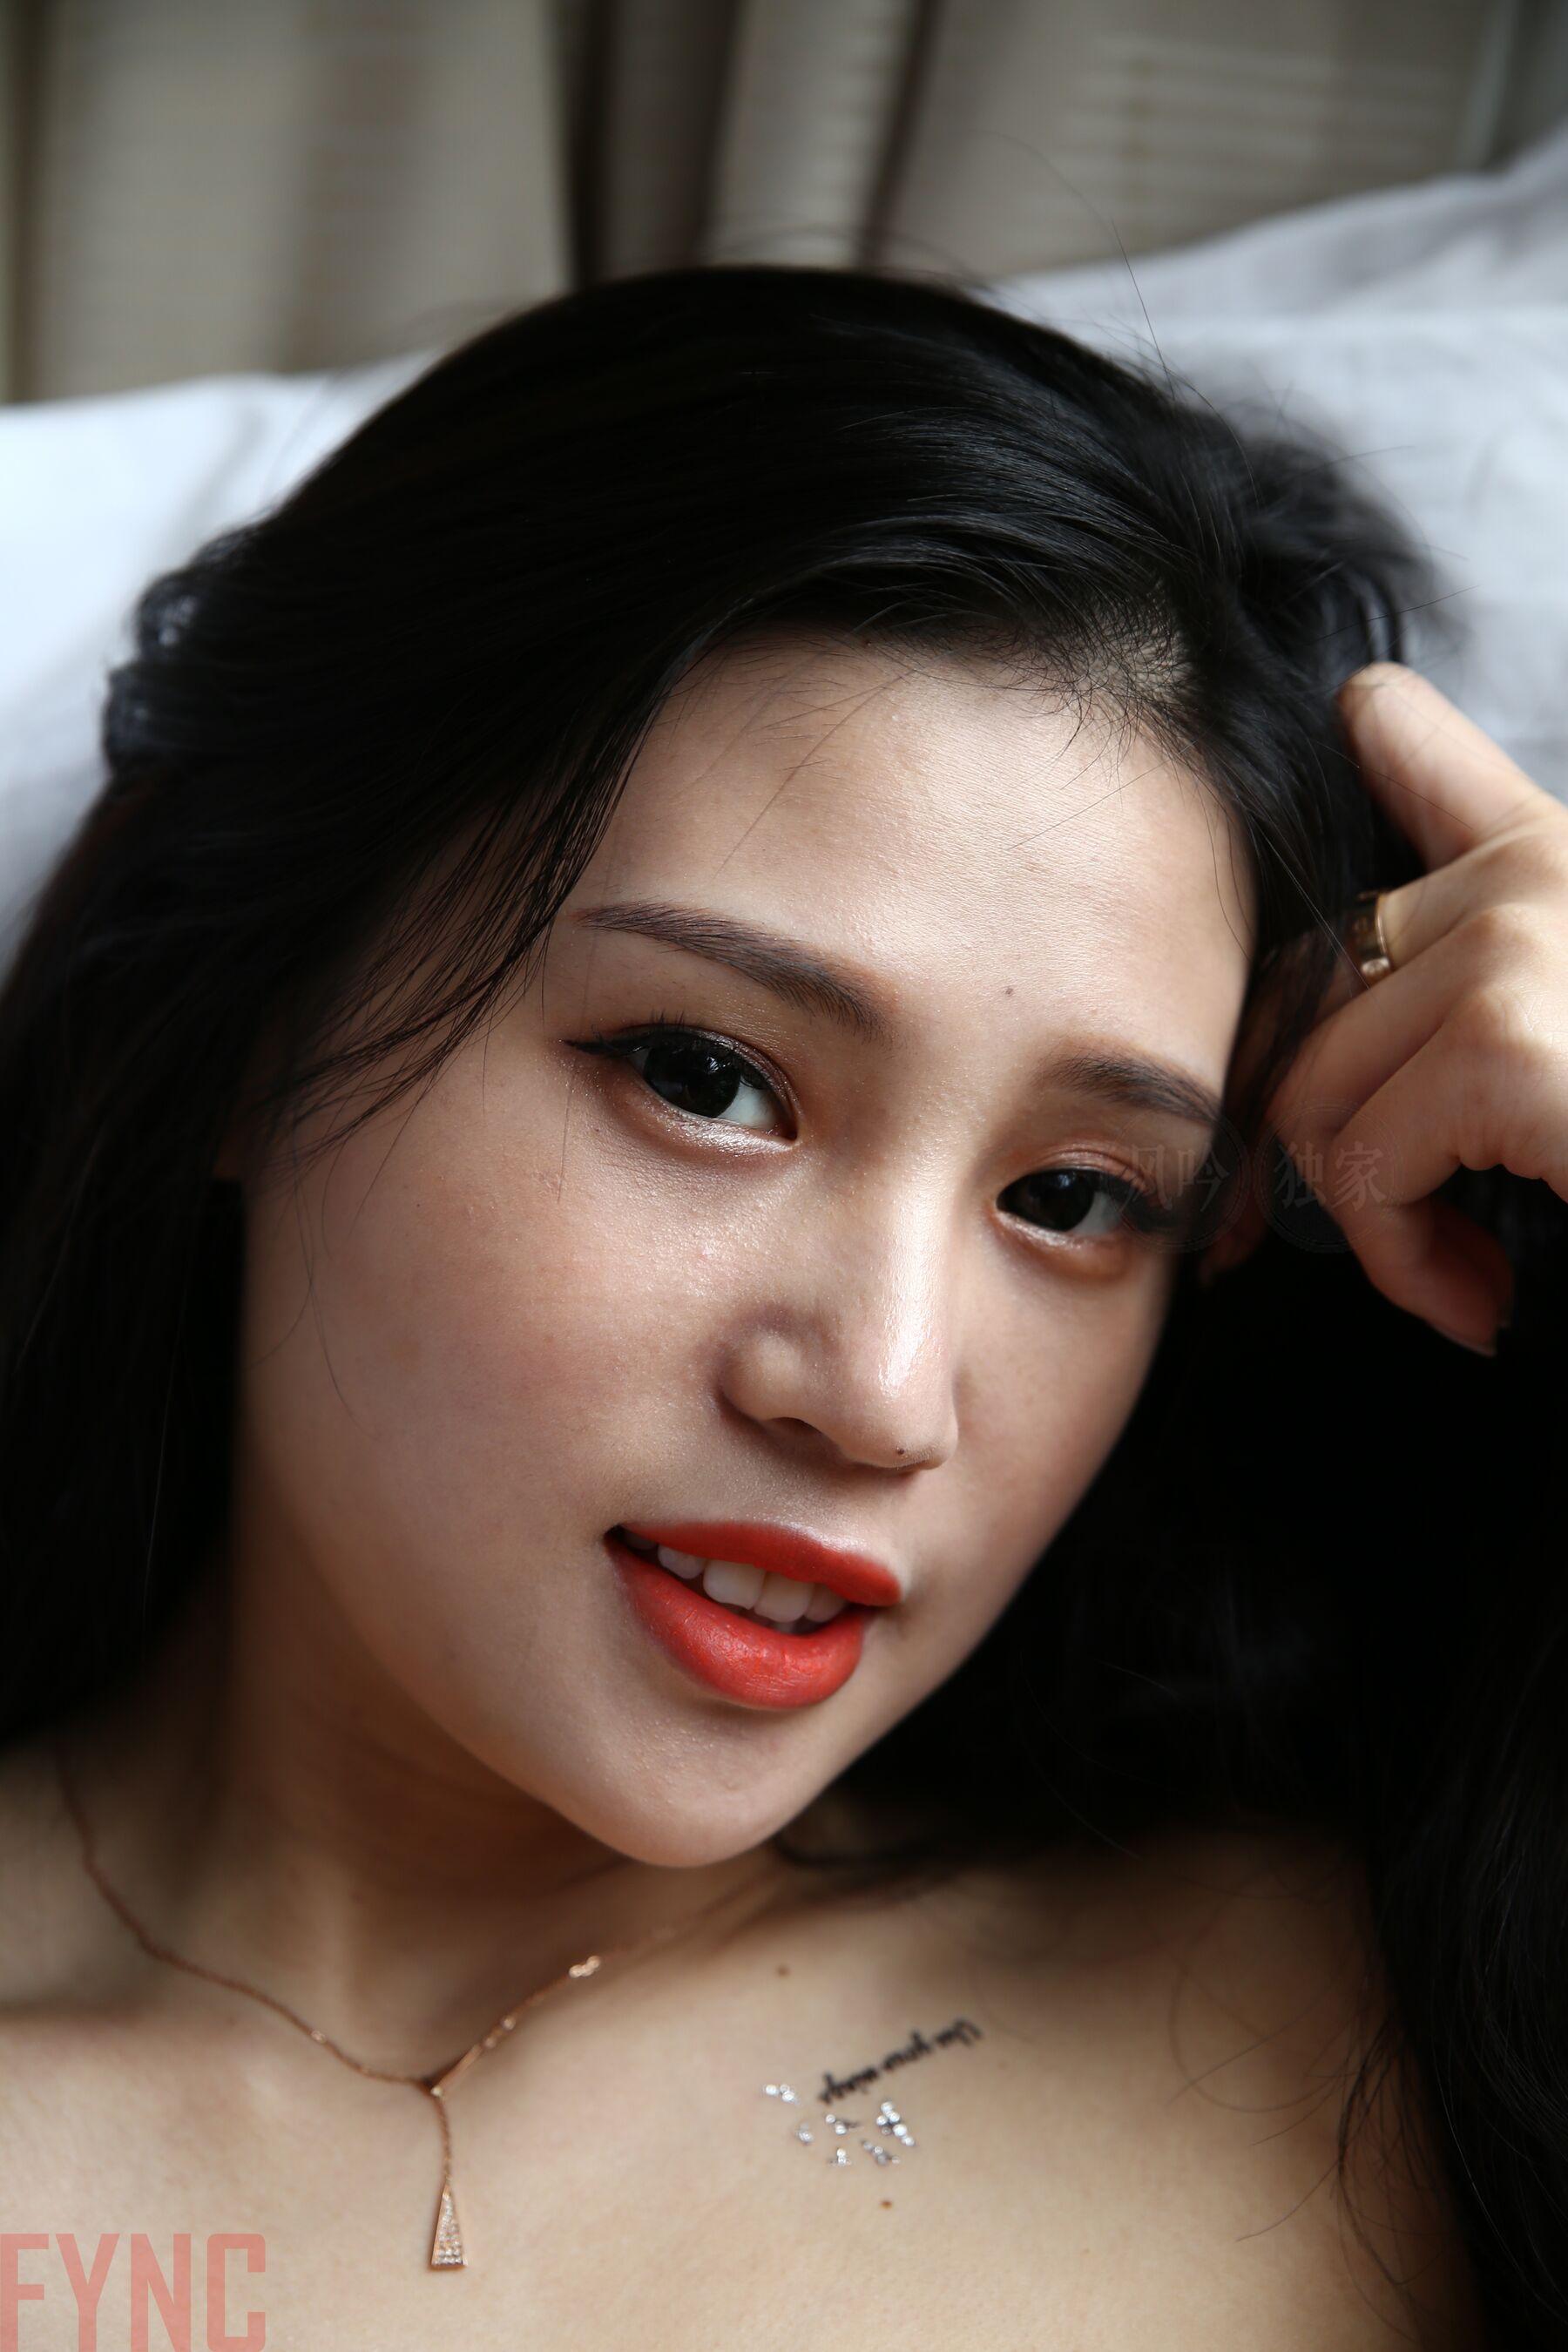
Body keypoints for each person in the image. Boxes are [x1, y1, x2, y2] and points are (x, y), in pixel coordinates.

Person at [0, 264, 1562, 2350]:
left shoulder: (1386, 2001)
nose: (884, 1392)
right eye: (708, 1078)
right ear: (243, 1017)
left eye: (1075, 1197)